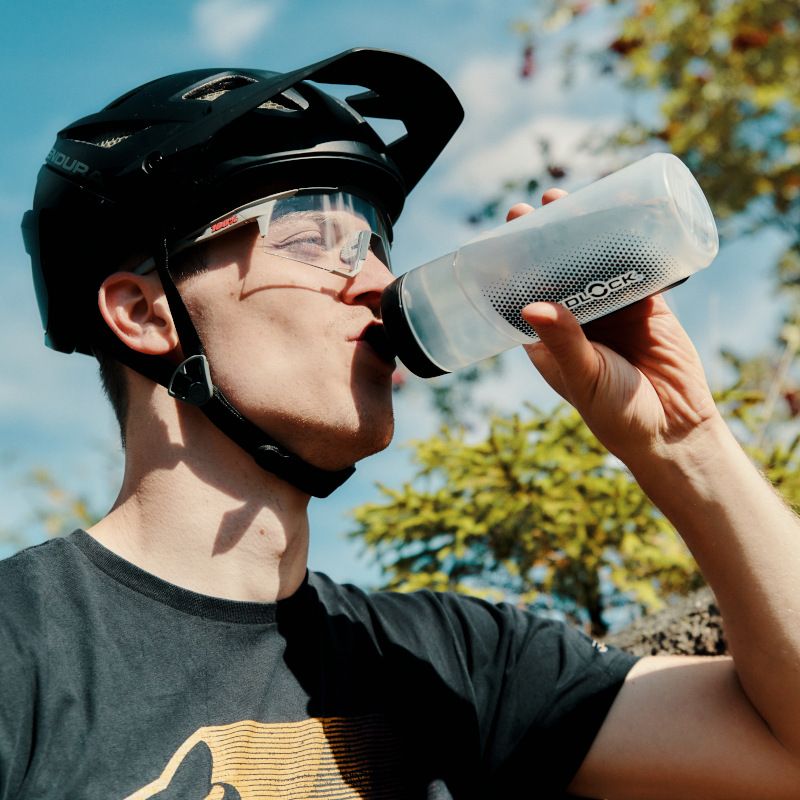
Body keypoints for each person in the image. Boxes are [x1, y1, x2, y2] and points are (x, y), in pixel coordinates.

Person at [8, 47, 800, 799]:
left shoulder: (455, 661)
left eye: (376, 244)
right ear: (143, 313)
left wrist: (685, 443)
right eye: (311, 237)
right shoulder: (21, 649)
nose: (380, 283)